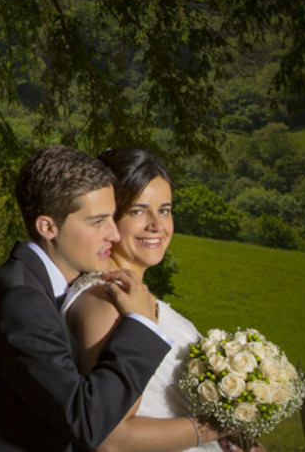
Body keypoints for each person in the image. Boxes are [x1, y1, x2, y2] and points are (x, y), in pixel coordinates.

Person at [0, 144, 202, 452]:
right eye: (98, 221)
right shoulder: (22, 299)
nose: (113, 234)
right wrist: (140, 323)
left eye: (113, 218)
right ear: (48, 227)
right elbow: (87, 421)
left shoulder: (35, 287)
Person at [61, 148, 241, 452]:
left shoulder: (136, 298)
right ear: (106, 216)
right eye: (137, 211)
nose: (157, 225)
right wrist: (216, 425)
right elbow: (110, 437)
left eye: (165, 210)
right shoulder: (106, 302)